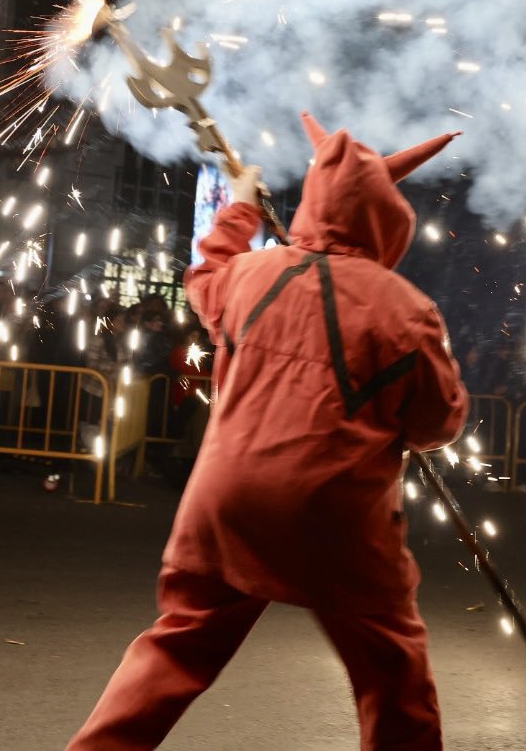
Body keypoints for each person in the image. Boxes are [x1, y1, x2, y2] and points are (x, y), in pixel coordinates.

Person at [67, 113, 467, 751]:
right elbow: (435, 424)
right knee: (392, 670)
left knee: (177, 646)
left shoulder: (255, 275)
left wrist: (242, 211)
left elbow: (203, 282)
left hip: (227, 501)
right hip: (335, 514)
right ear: (387, 218)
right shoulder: (406, 308)